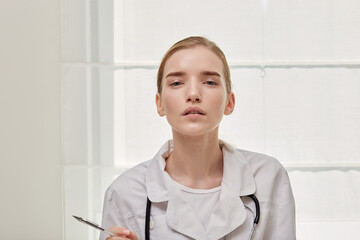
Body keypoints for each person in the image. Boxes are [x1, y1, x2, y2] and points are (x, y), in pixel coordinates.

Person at [99, 36, 296, 240]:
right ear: (160, 104)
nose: (193, 94)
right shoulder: (125, 192)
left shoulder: (268, 178)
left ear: (229, 102)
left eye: (210, 82)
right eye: (176, 83)